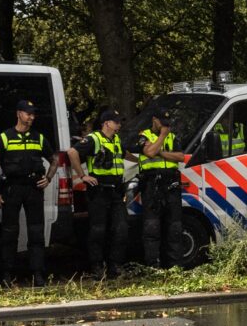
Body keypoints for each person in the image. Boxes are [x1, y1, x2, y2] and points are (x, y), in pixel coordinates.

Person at [0, 99, 57, 283]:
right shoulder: (5, 137)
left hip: (34, 188)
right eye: (28, 113)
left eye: (33, 114)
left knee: (36, 232)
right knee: (9, 233)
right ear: (18, 114)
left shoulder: (40, 137)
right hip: (11, 189)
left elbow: (54, 159)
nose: (32, 117)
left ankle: (37, 273)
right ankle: (7, 274)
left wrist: (49, 178)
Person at [77, 109, 130, 278]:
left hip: (115, 191)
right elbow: (72, 153)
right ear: (106, 123)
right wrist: (82, 175)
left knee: (121, 228)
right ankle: (97, 266)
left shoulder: (116, 140)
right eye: (116, 122)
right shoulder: (94, 139)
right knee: (98, 230)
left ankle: (115, 265)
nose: (119, 125)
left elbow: (125, 155)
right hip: (99, 191)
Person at [137, 109, 191, 266]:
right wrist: (161, 138)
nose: (165, 127)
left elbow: (180, 157)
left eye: (167, 124)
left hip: (171, 183)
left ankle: (175, 266)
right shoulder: (144, 135)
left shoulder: (173, 137)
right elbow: (149, 153)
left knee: (175, 227)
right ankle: (153, 266)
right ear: (154, 119)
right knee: (152, 227)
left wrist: (159, 151)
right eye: (162, 123)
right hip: (151, 184)